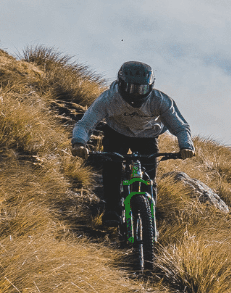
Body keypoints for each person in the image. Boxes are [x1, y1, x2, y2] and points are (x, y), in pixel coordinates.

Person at [70, 60, 196, 226]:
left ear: (150, 86)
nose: (136, 94)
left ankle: (149, 218)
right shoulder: (109, 98)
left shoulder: (160, 101)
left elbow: (180, 126)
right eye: (132, 88)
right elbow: (85, 124)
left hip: (147, 137)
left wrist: (186, 145)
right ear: (122, 84)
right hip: (116, 134)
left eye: (142, 89)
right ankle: (112, 211)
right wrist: (79, 142)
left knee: (149, 178)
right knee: (112, 171)